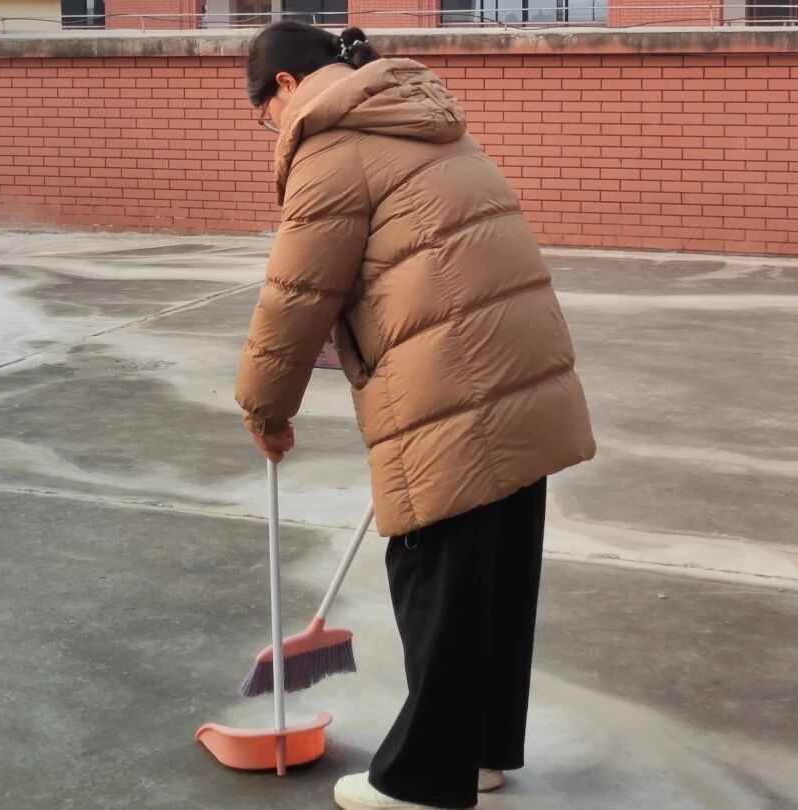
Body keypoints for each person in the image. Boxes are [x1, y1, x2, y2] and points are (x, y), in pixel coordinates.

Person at [235, 20, 596, 810]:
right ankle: (477, 754)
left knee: (435, 575)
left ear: (287, 86)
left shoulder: (330, 140)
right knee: (493, 576)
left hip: (450, 379)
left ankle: (425, 780)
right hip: (520, 365)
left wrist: (265, 406)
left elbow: (297, 293)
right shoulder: (421, 114)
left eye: (266, 115)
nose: (274, 130)